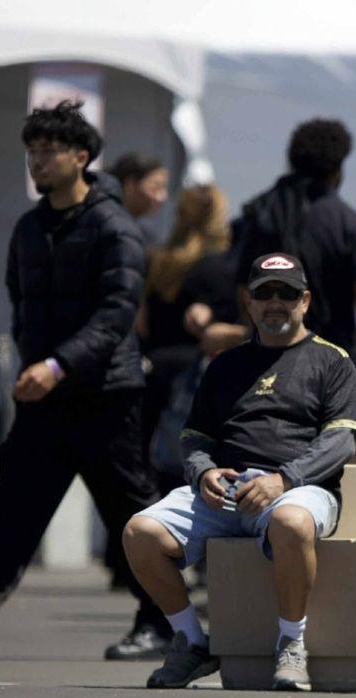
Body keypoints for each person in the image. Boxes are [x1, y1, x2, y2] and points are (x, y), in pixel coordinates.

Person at [0, 100, 171, 661]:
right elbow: (21, 304)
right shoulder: (29, 228)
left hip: (106, 396)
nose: (37, 162)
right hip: (45, 396)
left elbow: (116, 314)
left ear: (82, 157)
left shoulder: (113, 226)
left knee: (131, 513)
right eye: (31, 152)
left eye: (48, 152)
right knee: (14, 505)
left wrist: (57, 365)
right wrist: (33, 365)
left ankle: (167, 624)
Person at [123, 252, 356, 691]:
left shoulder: (333, 362)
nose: (275, 302)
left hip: (299, 489)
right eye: (264, 293)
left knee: (292, 523)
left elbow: (340, 441)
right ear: (247, 303)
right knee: (139, 534)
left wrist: (282, 480)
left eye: (287, 293)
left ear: (305, 300)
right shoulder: (225, 365)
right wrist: (202, 473)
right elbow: (194, 437)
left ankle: (291, 645)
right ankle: (192, 643)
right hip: (226, 489)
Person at [231, 119, 356, 408]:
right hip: (334, 365)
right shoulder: (350, 224)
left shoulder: (262, 215)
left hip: (268, 367)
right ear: (337, 170)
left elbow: (243, 294)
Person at [136, 184, 236, 493]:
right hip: (195, 377)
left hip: (154, 372)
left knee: (154, 470)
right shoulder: (224, 266)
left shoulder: (159, 260)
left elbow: (142, 324)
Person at [109, 152, 169, 246]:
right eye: (155, 187)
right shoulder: (107, 226)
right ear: (130, 185)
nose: (162, 197)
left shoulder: (146, 233)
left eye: (164, 188)